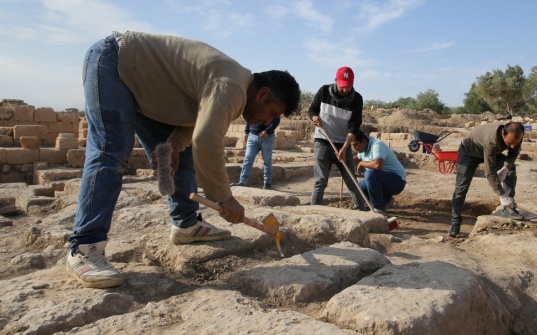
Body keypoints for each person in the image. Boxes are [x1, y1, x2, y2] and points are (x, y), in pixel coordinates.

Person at [66, 31, 301, 288]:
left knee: (180, 154)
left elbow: (195, 120)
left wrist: (175, 142)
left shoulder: (236, 86)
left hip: (147, 88)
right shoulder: (233, 87)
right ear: (262, 93)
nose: (268, 122)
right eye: (272, 113)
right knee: (111, 151)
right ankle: (84, 247)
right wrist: (224, 198)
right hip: (117, 63)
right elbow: (206, 139)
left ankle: (186, 224)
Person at [449, 122, 525, 238]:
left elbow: (512, 155)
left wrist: (505, 169)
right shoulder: (491, 139)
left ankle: (508, 209)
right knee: (461, 188)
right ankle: (455, 224)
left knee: (511, 169)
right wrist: (502, 195)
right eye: (509, 143)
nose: (513, 146)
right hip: (469, 152)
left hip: (492, 153)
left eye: (516, 143)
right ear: (503, 134)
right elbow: (489, 172)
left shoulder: (517, 135)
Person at [308, 66, 368, 210]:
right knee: (320, 180)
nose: (346, 90)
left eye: (348, 86)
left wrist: (345, 147)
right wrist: (314, 117)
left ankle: (360, 208)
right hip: (323, 141)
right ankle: (314, 209)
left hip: (343, 143)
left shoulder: (357, 99)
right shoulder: (324, 91)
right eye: (343, 86)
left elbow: (354, 126)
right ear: (336, 81)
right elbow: (312, 110)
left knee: (351, 179)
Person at [351, 130, 407, 216]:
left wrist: (362, 163)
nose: (354, 148)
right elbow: (356, 159)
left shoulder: (377, 145)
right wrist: (344, 159)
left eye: (356, 144)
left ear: (364, 141)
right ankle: (385, 200)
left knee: (370, 174)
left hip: (397, 181)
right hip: (383, 180)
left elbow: (377, 165)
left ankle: (379, 209)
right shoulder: (362, 149)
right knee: (355, 189)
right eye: (352, 145)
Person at [231, 117, 280, 189]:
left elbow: (276, 119)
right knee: (248, 158)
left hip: (267, 137)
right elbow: (250, 116)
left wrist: (267, 131)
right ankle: (243, 181)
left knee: (267, 161)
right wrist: (246, 132)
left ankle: (267, 183)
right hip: (252, 136)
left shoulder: (272, 106)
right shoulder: (254, 105)